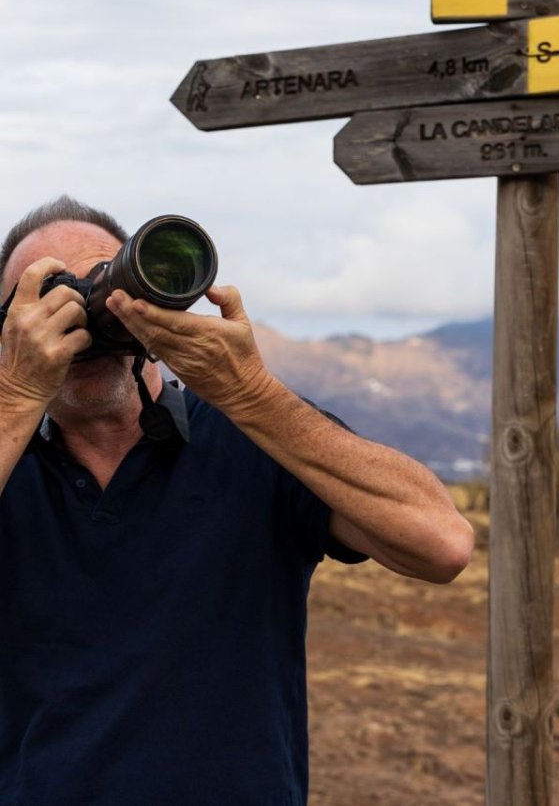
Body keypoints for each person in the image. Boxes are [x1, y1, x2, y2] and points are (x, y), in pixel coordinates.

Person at [0, 196, 474, 806]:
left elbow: (443, 543)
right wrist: (16, 396)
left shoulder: (257, 436)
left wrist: (250, 394)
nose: (81, 319)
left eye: (100, 284)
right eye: (45, 301)